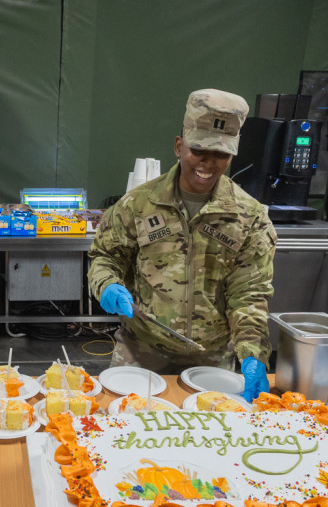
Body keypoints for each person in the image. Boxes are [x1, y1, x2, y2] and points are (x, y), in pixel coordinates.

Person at [87, 89, 276, 402]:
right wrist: (106, 284)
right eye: (199, 150)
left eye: (221, 155)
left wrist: (253, 353)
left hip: (211, 359)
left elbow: (249, 294)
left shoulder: (250, 216)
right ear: (179, 146)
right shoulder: (138, 204)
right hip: (140, 353)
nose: (208, 163)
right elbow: (105, 257)